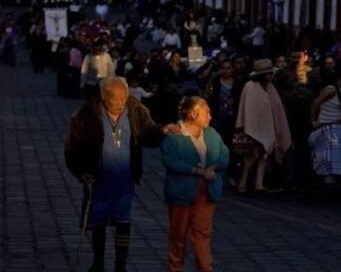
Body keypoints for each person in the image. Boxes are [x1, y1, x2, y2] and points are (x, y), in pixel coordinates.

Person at [64, 76, 179, 272]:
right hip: (98, 179)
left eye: (123, 99)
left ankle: (120, 266)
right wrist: (81, 172)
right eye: (114, 99)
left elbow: (148, 133)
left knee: (122, 221)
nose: (119, 103)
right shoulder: (87, 114)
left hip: (124, 179)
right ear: (103, 96)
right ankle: (98, 263)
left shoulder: (135, 109)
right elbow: (72, 146)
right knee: (97, 222)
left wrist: (162, 130)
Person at [161, 96, 229, 272]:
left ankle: (205, 268)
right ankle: (175, 268)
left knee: (203, 233)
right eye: (206, 113)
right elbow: (171, 160)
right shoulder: (175, 136)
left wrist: (213, 167)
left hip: (206, 191)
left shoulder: (212, 134)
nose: (210, 117)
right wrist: (198, 171)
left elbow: (224, 154)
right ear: (193, 114)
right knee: (178, 234)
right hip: (181, 192)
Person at [235, 59, 292, 193]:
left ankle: (259, 184)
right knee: (252, 156)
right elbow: (246, 107)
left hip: (267, 126)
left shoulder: (270, 87)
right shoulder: (250, 87)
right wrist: (245, 125)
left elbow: (276, 106)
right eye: (270, 73)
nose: (272, 76)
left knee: (264, 154)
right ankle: (243, 181)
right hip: (252, 126)